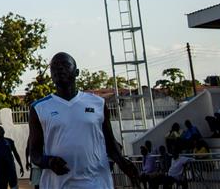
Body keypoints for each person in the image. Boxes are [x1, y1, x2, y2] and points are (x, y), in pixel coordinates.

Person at [28, 52, 141, 189]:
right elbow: (34, 153)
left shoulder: (97, 103)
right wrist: (48, 162)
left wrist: (123, 162)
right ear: (51, 75)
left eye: (65, 64)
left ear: (76, 72)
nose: (59, 68)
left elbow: (110, 144)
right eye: (55, 66)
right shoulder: (39, 108)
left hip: (96, 182)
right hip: (58, 184)